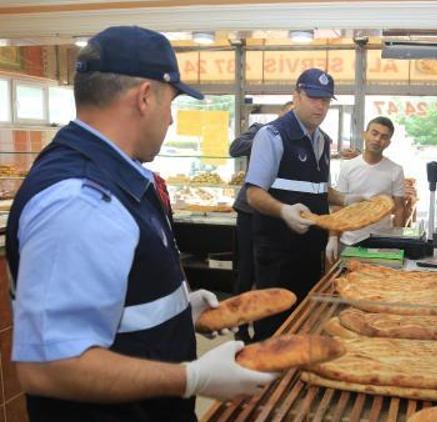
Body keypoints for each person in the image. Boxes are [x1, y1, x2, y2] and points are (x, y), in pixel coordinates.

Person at [5, 26, 278, 421]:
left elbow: (114, 302)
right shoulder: (81, 200)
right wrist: (193, 377)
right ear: (145, 97)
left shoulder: (119, 176)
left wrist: (180, 311)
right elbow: (50, 368)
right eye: (172, 104)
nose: (170, 120)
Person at [245, 68, 355, 341]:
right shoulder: (273, 136)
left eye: (326, 100)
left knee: (303, 316)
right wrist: (283, 211)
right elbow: (253, 193)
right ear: (296, 96)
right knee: (273, 321)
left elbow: (318, 189)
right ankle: (267, 380)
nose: (320, 105)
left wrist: (347, 199)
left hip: (310, 248)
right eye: (313, 97)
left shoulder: (323, 140)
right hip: (278, 250)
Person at [229, 101, 293, 343]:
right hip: (250, 211)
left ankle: (264, 327)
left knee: (270, 273)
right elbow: (234, 148)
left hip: (277, 213)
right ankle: (240, 327)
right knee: (246, 272)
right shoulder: (262, 130)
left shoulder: (304, 139)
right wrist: (269, 140)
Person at [336, 116, 406, 246]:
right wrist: (333, 239)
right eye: (374, 133)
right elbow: (338, 205)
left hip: (382, 240)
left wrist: (398, 241)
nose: (377, 139)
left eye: (384, 137)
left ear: (388, 142)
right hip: (350, 239)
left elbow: (399, 209)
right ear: (364, 134)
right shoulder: (348, 167)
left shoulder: (395, 170)